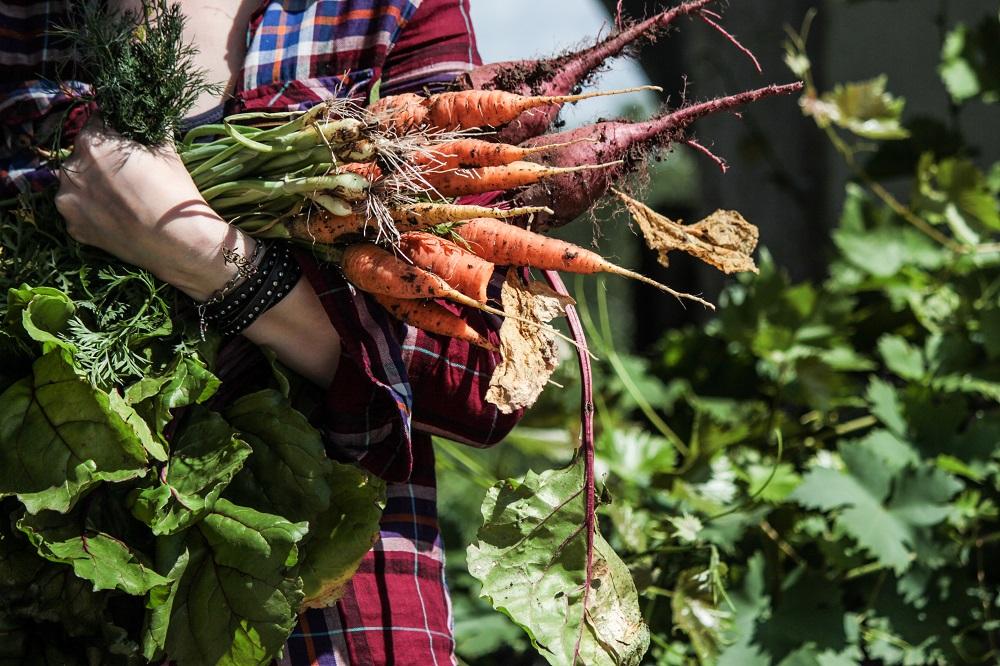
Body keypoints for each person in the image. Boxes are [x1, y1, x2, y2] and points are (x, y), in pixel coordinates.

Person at [0, 1, 522, 663]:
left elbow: (483, 380)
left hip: (327, 618)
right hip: (47, 604)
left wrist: (206, 256)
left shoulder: (379, 12)